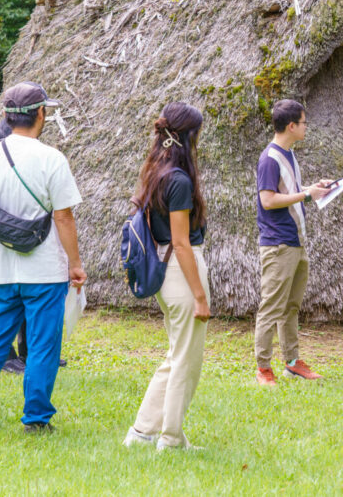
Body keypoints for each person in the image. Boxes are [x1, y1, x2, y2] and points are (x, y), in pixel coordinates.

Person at [0, 81, 85, 434]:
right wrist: (75, 264)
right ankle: (36, 419)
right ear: (40, 113)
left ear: (7, 115)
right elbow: (63, 217)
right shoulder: (52, 159)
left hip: (1, 269)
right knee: (43, 345)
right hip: (45, 270)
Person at [124, 102, 211, 451]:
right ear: (188, 136)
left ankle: (142, 432)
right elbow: (181, 241)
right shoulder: (179, 180)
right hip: (181, 270)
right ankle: (171, 439)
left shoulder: (155, 171)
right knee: (186, 364)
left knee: (176, 356)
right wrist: (201, 296)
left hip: (166, 272)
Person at [253, 99, 332, 386]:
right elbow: (268, 200)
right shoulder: (269, 159)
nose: (306, 126)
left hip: (297, 242)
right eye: (303, 122)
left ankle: (292, 361)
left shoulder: (289, 155)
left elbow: (289, 191)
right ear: (291, 126)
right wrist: (306, 195)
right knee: (271, 307)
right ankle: (263, 369)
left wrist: (313, 189)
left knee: (291, 307)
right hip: (279, 245)